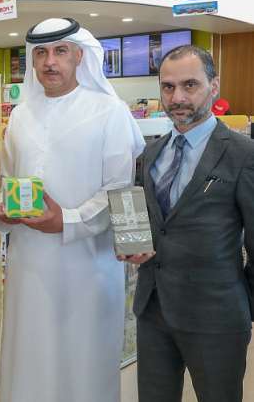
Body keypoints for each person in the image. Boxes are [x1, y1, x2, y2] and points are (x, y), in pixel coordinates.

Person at [0, 18, 145, 402]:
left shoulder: (109, 111)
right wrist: (3, 211)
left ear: (79, 55)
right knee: (29, 357)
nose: (50, 62)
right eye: (41, 53)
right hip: (29, 265)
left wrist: (67, 220)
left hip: (87, 267)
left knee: (83, 362)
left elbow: (118, 191)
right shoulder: (20, 116)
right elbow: (8, 179)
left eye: (60, 51)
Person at [121, 45, 254, 402]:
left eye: (190, 85)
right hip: (153, 311)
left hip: (217, 315)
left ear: (214, 86)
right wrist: (135, 246)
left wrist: (245, 306)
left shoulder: (243, 154)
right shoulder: (151, 153)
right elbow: (156, 225)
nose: (177, 97)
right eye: (168, 87)